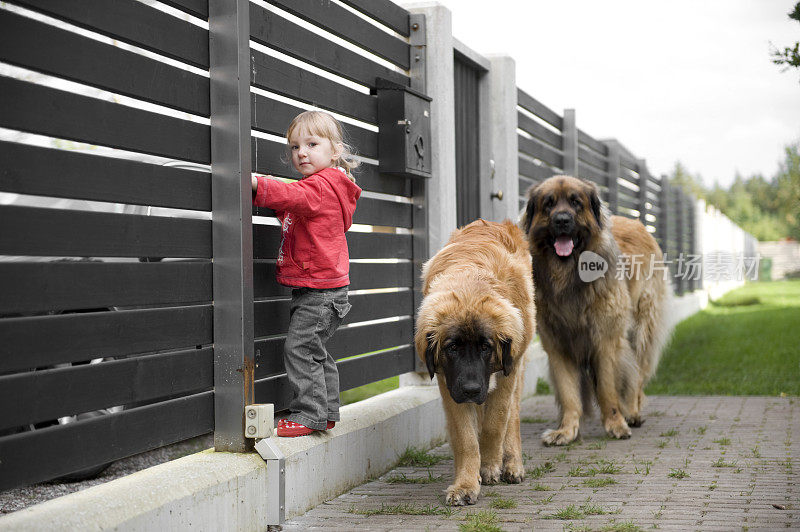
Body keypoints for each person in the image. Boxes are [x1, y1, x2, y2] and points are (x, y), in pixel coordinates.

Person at [252, 110, 361, 437]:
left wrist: (256, 183)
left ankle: (308, 414)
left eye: (312, 144)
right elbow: (294, 206)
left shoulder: (323, 186)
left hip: (320, 293)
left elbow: (294, 196)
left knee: (299, 349)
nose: (301, 152)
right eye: (294, 146)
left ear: (335, 151)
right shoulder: (326, 188)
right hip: (326, 291)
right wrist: (276, 202)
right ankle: (326, 411)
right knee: (314, 351)